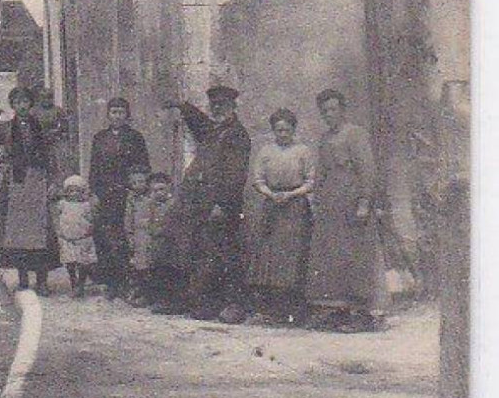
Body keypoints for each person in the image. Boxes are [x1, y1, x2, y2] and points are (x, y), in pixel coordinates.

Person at [163, 85, 253, 323]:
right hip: (202, 204)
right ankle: (203, 303)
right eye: (214, 106)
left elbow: (236, 175)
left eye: (222, 106)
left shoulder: (238, 135)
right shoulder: (214, 131)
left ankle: (231, 305)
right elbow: (199, 122)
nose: (217, 110)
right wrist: (182, 106)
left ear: (232, 108)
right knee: (203, 253)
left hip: (223, 208)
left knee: (224, 255)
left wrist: (222, 205)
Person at [306, 89, 385, 332]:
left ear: (342, 110)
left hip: (352, 202)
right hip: (332, 205)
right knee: (333, 257)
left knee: (356, 257)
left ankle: (362, 313)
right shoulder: (325, 139)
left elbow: (368, 170)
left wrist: (364, 202)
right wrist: (316, 198)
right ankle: (340, 310)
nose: (329, 114)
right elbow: (321, 172)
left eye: (333, 109)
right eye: (325, 111)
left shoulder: (355, 134)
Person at [0, 86, 59, 294]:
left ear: (31, 104)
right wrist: (5, 160)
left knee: (40, 230)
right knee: (18, 232)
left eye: (26, 102)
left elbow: (50, 155)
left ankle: (42, 281)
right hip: (16, 182)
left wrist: (53, 181)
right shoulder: (5, 128)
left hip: (38, 181)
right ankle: (23, 279)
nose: (22, 106)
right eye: (18, 102)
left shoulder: (40, 127)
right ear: (12, 105)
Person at [247, 108, 316, 324]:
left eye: (287, 130)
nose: (282, 134)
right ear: (273, 131)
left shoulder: (303, 151)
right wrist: (271, 194)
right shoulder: (266, 152)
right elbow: (257, 179)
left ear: (293, 130)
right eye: (278, 130)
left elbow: (311, 181)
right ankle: (273, 309)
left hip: (295, 206)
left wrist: (292, 194)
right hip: (272, 205)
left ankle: (295, 309)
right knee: (271, 256)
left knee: (294, 256)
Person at [87, 97, 151, 299]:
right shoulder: (99, 138)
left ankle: (127, 282)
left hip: (126, 194)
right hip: (106, 194)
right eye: (113, 112)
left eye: (121, 112)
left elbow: (143, 166)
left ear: (127, 115)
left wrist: (136, 188)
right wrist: (95, 193)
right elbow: (94, 168)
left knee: (125, 236)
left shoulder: (135, 138)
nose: (117, 116)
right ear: (108, 115)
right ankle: (110, 282)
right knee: (105, 237)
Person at [52, 174, 98, 297]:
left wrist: (88, 230)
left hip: (82, 239)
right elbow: (57, 217)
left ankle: (81, 284)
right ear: (66, 192)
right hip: (67, 239)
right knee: (70, 262)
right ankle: (73, 282)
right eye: (71, 191)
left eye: (77, 190)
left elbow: (92, 219)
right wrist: (60, 231)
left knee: (83, 262)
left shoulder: (86, 205)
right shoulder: (62, 204)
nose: (74, 193)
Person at [139, 172, 178, 309]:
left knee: (168, 271)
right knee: (155, 271)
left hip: (170, 244)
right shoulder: (150, 205)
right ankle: (156, 299)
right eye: (154, 190)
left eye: (161, 189)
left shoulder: (173, 204)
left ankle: (168, 301)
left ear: (169, 188)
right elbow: (146, 222)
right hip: (155, 243)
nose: (158, 193)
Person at [121, 165, 154, 304]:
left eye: (141, 181)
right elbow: (128, 218)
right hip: (138, 235)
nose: (137, 185)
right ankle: (140, 292)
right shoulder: (131, 200)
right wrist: (129, 234)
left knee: (151, 263)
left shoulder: (152, 197)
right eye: (134, 183)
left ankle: (149, 294)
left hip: (150, 234)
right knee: (139, 265)